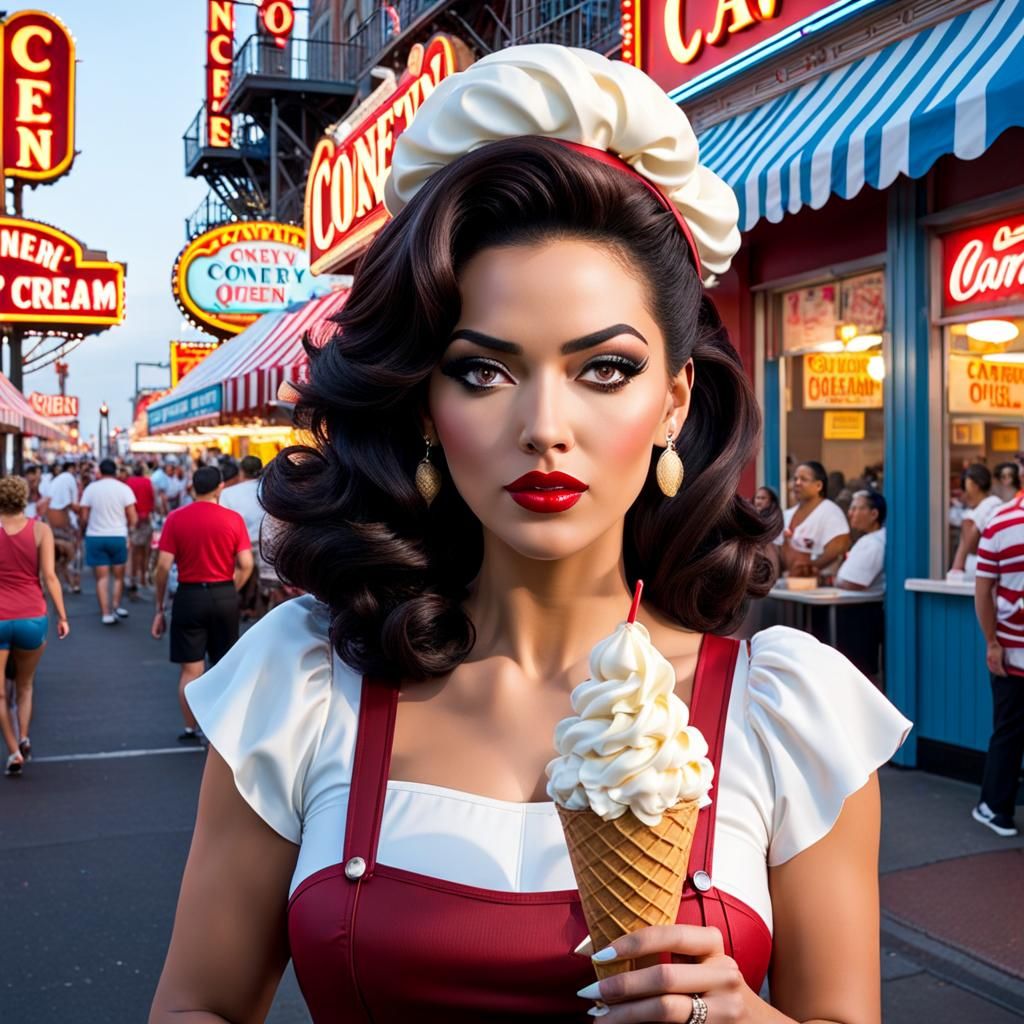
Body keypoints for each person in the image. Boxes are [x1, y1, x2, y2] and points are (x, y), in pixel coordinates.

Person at [152, 46, 911, 1024]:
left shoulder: (787, 711)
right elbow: (195, 1005)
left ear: (675, 400)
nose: (543, 425)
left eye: (603, 369)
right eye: (483, 370)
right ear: (426, 399)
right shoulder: (302, 678)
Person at [150, 466, 253, 744]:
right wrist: (232, 587)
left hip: (189, 595)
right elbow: (246, 564)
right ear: (220, 487)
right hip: (223, 594)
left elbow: (162, 566)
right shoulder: (233, 519)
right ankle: (218, 728)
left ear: (192, 488)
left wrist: (160, 604)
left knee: (191, 670)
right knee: (223, 665)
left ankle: (190, 726)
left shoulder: (175, 518)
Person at [0, 476, 69, 776]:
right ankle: (25, 734)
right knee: (25, 684)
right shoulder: (40, 530)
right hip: (32, 615)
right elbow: (50, 576)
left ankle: (13, 750)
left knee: (1, 693)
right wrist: (63, 616)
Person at [972, 495, 1024, 837]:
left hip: (1012, 650)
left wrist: (992, 641)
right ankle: (993, 806)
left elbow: (983, 588)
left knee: (1008, 731)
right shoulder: (1000, 520)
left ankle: (995, 807)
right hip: (1012, 650)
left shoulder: (1001, 522)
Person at [80, 458, 137, 625]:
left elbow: (83, 516)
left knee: (101, 578)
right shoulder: (124, 489)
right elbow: (132, 516)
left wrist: (85, 526)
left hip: (95, 536)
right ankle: (116, 606)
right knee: (118, 577)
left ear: (100, 471)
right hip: (118, 535)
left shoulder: (91, 488)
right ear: (115, 472)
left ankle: (106, 613)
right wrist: (130, 532)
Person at [775, 461, 851, 578]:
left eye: (803, 479)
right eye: (795, 479)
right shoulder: (787, 514)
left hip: (820, 588)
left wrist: (809, 567)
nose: (797, 483)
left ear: (818, 486)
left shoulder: (831, 512)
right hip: (787, 584)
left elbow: (840, 546)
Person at [218, 455, 266, 620]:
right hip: (265, 542)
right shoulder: (268, 489)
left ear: (241, 472)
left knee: (241, 574)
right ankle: (255, 611)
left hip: (239, 543)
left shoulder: (228, 493)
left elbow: (223, 521)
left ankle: (238, 606)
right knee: (261, 582)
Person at [950, 464, 1003, 579]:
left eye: (967, 486)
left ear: (975, 485)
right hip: (973, 574)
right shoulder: (973, 510)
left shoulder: (993, 505)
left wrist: (969, 522)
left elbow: (969, 545)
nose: (964, 493)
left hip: (987, 574)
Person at [836, 491, 887, 591]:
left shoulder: (873, 543)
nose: (850, 513)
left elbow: (852, 583)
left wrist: (831, 581)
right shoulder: (874, 539)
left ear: (873, 514)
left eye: (855, 509)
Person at [44, 460, 81, 594]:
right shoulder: (68, 479)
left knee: (58, 557)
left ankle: (63, 583)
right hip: (64, 525)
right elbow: (70, 504)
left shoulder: (55, 482)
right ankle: (73, 583)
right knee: (72, 556)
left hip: (54, 524)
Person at [125, 461, 156, 591]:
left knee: (134, 551)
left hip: (132, 519)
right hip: (145, 519)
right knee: (145, 551)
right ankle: (142, 578)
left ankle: (133, 578)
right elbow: (152, 500)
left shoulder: (129, 482)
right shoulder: (147, 482)